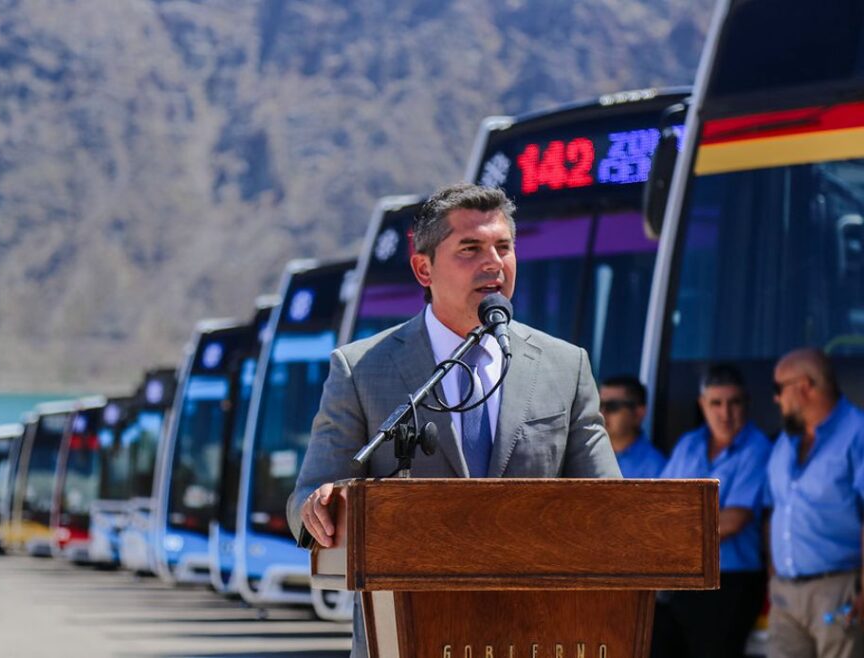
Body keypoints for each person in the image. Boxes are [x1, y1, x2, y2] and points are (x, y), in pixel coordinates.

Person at [286, 182, 621, 658]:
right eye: (471, 249)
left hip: (535, 633)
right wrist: (321, 507)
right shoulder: (361, 368)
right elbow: (308, 493)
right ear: (423, 267)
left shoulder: (565, 366)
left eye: (503, 247)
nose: (493, 263)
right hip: (409, 633)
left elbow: (611, 505)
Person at [652, 364, 772, 658]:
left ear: (747, 403)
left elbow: (734, 519)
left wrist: (674, 532)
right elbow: (659, 503)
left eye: (734, 402)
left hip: (729, 581)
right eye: (716, 403)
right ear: (701, 404)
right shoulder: (689, 443)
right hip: (681, 578)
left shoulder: (757, 448)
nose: (725, 413)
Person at [765, 348, 864, 658]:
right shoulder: (786, 441)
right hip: (784, 593)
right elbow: (774, 510)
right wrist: (773, 575)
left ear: (804, 386)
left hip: (838, 590)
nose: (775, 399)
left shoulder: (857, 433)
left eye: (778, 388)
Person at [599, 375, 665, 478]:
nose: (602, 413)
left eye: (613, 406)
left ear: (638, 413)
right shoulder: (585, 456)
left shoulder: (655, 469)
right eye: (599, 405)